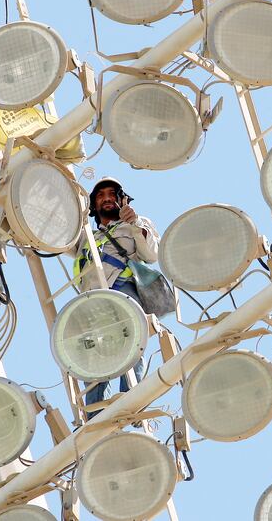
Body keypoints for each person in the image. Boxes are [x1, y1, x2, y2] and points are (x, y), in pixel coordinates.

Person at [72, 177, 160, 420]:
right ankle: (94, 419)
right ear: (93, 206)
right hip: (92, 301)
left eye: (112, 194)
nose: (107, 198)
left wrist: (135, 223)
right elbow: (57, 238)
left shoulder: (133, 225)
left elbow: (151, 254)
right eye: (100, 196)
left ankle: (132, 401)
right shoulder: (86, 236)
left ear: (122, 199)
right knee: (93, 356)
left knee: (131, 340)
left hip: (122, 290)